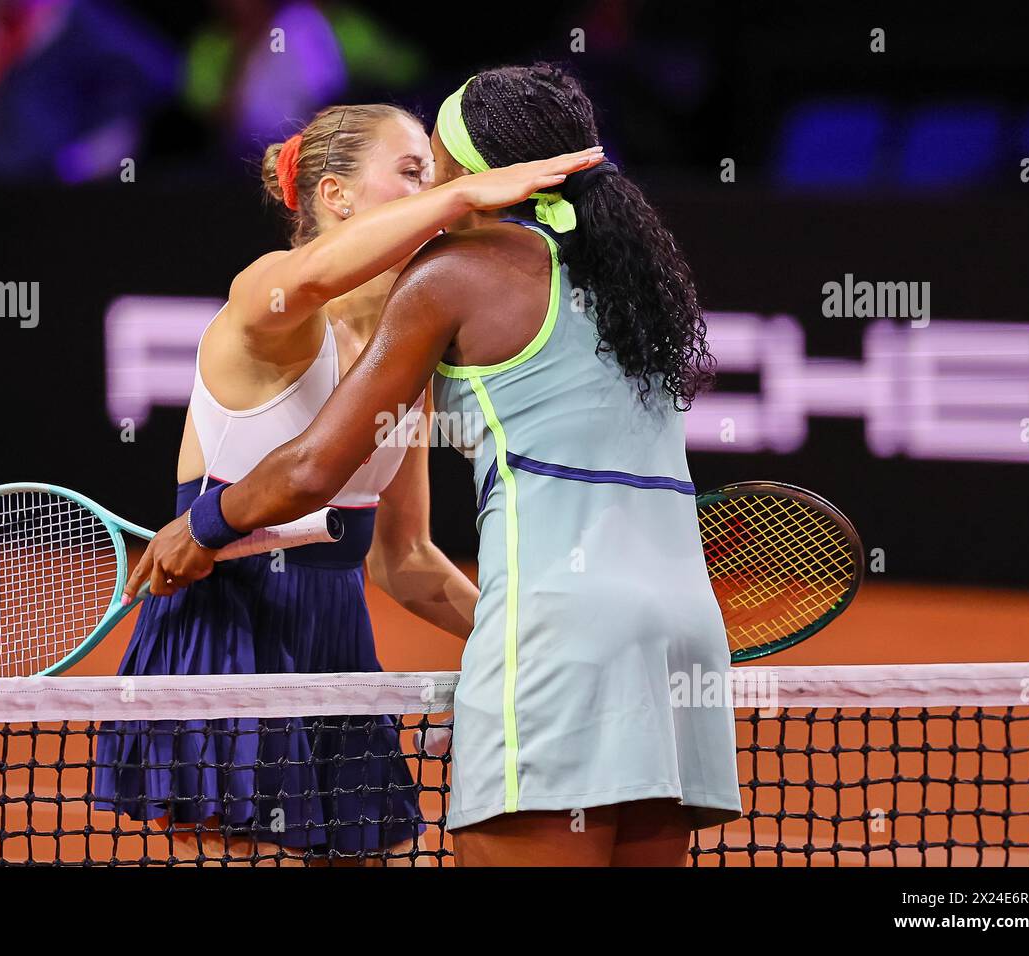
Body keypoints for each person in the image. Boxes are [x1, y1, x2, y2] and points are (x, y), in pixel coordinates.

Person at [125, 63, 744, 867]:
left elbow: (404, 558)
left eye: (438, 170)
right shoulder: (267, 299)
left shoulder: (416, 349)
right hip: (230, 626)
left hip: (334, 627)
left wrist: (516, 639)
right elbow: (314, 276)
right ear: (336, 198)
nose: (435, 187)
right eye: (411, 172)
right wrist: (457, 198)